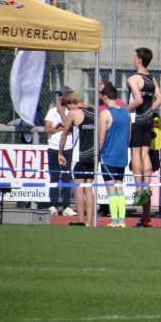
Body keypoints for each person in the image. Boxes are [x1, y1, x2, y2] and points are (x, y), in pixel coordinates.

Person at [126, 47, 161, 228]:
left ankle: (139, 188)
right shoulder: (152, 78)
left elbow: (138, 100)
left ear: (140, 60)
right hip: (148, 119)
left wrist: (125, 110)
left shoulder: (133, 79)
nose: (134, 60)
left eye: (135, 57)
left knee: (135, 153)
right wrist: (150, 111)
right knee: (145, 153)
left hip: (136, 119)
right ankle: (146, 186)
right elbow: (160, 99)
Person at [58, 91, 95, 226]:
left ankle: (81, 221)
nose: (67, 110)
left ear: (70, 102)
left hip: (79, 156)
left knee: (79, 189)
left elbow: (64, 136)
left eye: (67, 107)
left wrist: (60, 153)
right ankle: (89, 222)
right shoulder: (93, 112)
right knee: (88, 189)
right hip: (92, 156)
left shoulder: (73, 113)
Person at [98, 85, 131, 228]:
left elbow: (101, 138)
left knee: (111, 188)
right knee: (119, 187)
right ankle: (121, 221)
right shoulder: (126, 112)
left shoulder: (105, 113)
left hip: (109, 155)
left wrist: (97, 153)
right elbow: (129, 135)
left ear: (105, 96)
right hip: (122, 155)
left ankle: (114, 221)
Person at [44, 85, 77, 217]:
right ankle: (53, 205)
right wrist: (60, 128)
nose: (60, 98)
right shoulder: (52, 111)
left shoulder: (72, 112)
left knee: (66, 177)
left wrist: (62, 113)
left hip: (67, 148)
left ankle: (67, 206)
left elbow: (71, 128)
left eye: (62, 95)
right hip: (53, 148)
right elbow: (47, 129)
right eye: (59, 95)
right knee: (54, 177)